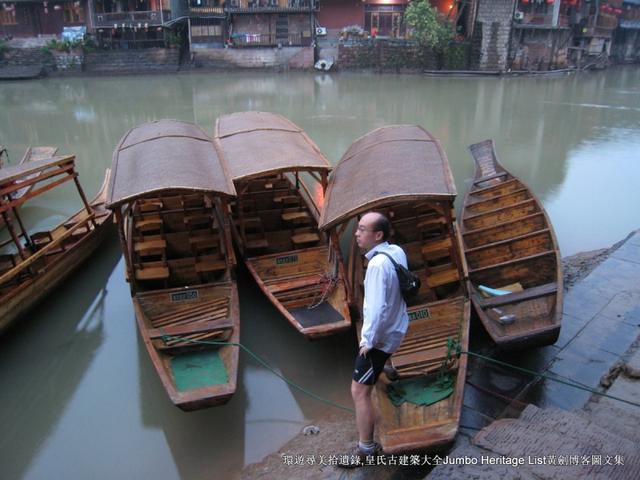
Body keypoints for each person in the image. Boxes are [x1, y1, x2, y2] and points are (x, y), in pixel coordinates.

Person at [340, 211, 409, 467]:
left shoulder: (378, 265)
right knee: (368, 379)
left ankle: (366, 448)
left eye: (361, 229)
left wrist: (368, 341)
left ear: (377, 235)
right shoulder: (396, 251)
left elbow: (377, 309)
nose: (356, 234)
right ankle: (387, 367)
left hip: (381, 339)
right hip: (398, 325)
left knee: (358, 391)